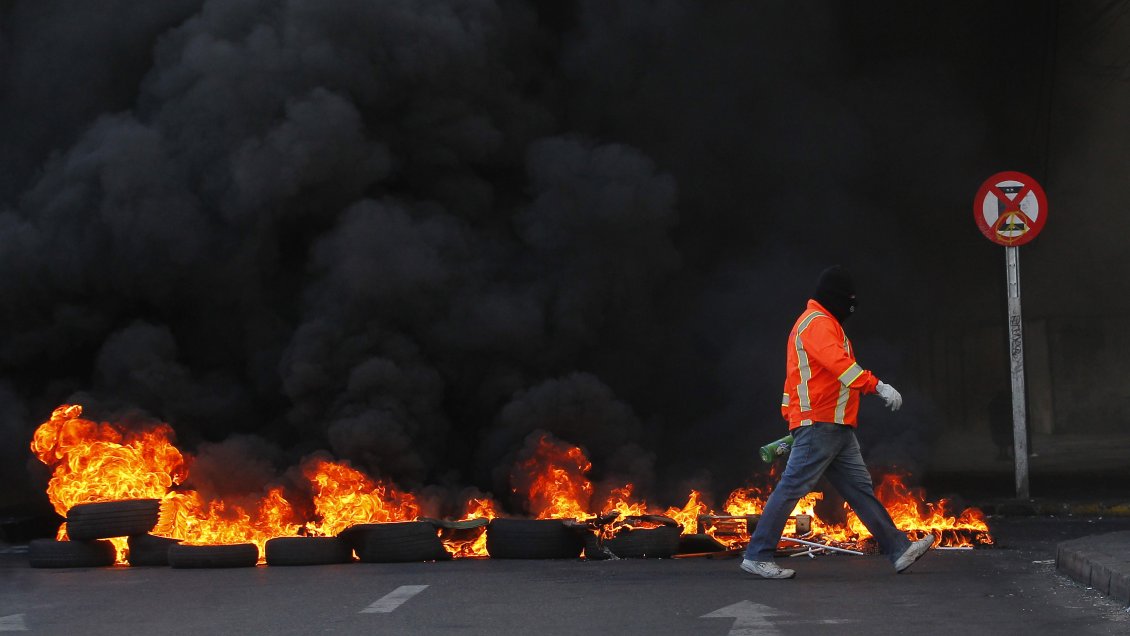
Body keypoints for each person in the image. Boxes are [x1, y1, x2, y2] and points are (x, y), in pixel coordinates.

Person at [741, 265, 934, 579]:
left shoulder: (818, 322)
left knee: (859, 491)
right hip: (822, 422)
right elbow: (839, 365)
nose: (852, 309)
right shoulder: (818, 323)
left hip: (833, 425)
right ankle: (758, 555)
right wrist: (877, 385)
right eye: (850, 302)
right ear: (838, 299)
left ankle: (898, 550)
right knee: (792, 487)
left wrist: (793, 416)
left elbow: (794, 381)